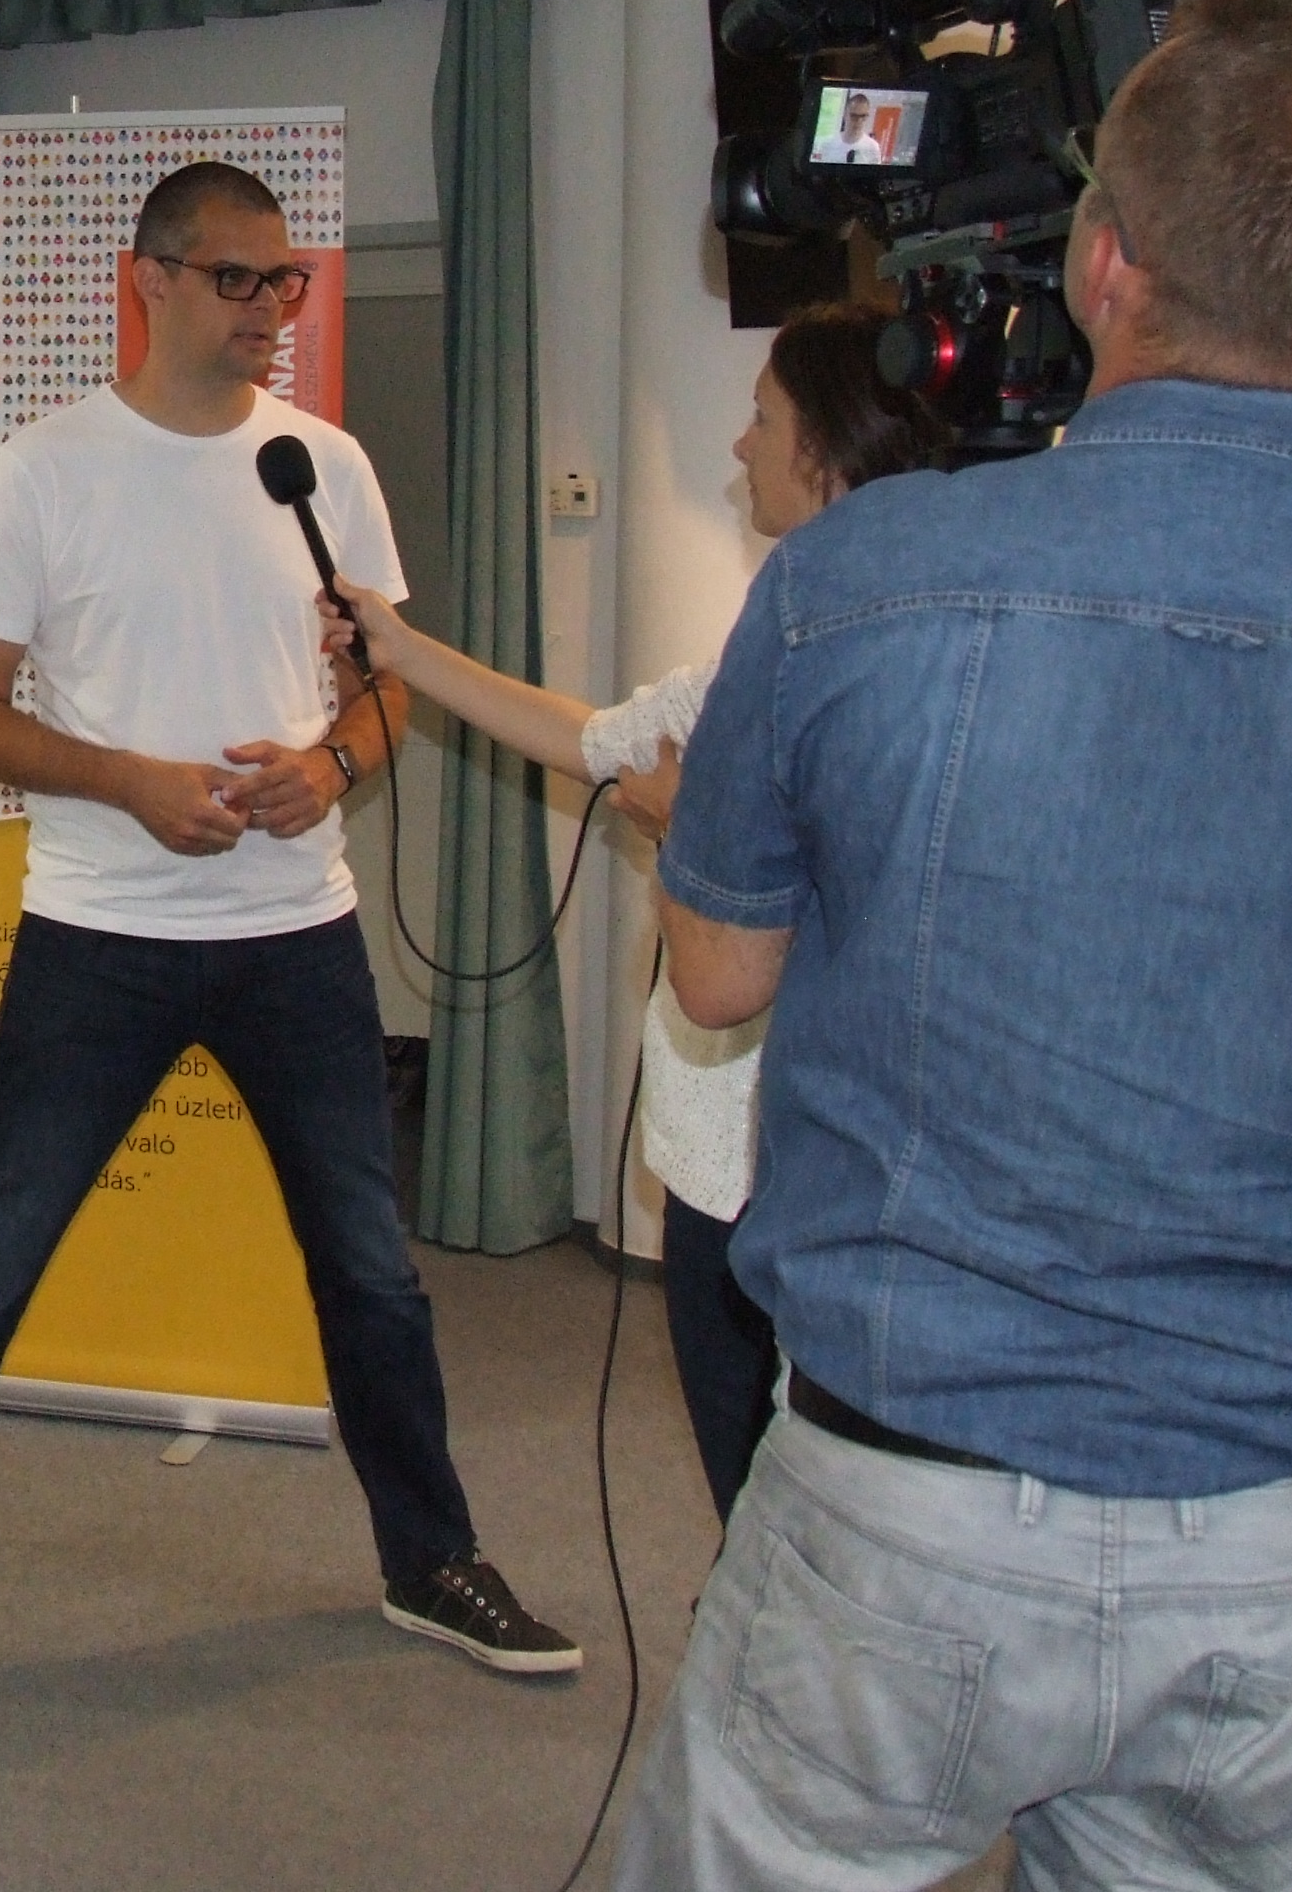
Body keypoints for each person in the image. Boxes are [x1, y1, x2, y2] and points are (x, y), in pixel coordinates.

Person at [614, 0, 1292, 1889]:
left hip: (890, 1515)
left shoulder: (854, 583)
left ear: (1103, 261)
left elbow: (719, 973)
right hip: (1278, 1557)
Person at [0, 159, 581, 1747]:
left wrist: (331, 765)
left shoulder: (323, 467)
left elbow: (386, 682)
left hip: (297, 935)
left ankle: (433, 1562)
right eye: (238, 279)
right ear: (152, 281)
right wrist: (127, 779)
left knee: (372, 1278)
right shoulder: (49, 471)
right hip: (100, 941)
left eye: (288, 282)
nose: (271, 310)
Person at [329, 302, 945, 1520]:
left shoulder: (861, 659)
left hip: (800, 1168)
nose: (737, 445)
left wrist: (685, 826)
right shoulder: (775, 639)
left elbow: (744, 938)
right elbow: (600, 740)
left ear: (825, 446)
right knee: (760, 1494)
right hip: (722, 1164)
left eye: (761, 418)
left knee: (785, 1501)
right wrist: (403, 653)